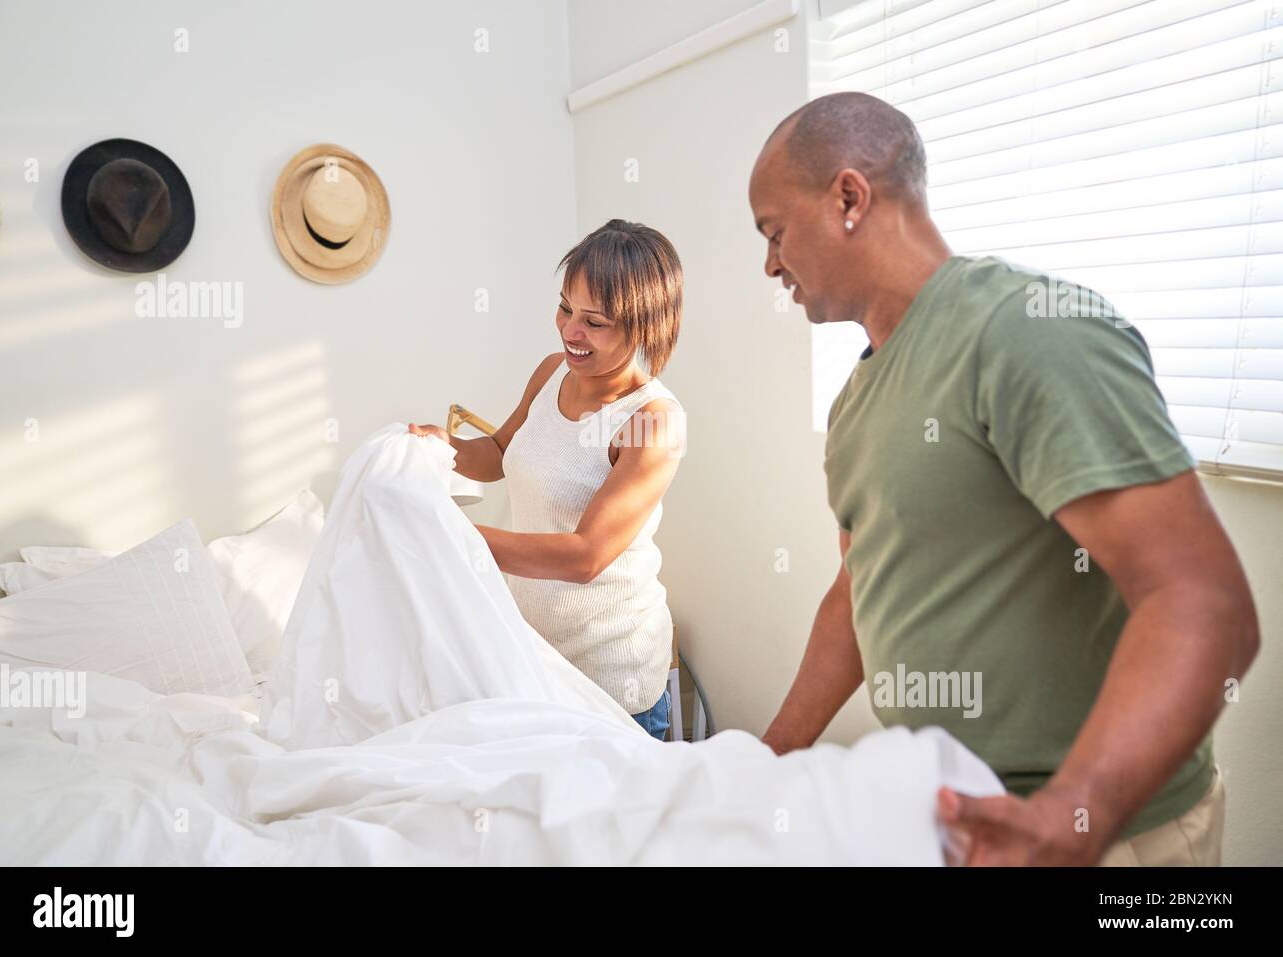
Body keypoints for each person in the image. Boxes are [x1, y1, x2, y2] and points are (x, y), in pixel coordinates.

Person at [748, 92, 1259, 865]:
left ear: (849, 197)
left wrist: (1069, 815)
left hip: (1114, 837)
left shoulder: (1025, 331)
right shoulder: (856, 402)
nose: (769, 264)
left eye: (774, 232)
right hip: (967, 823)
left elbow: (1204, 604)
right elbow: (859, 592)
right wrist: (766, 762)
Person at [410, 219, 686, 739]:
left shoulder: (653, 421)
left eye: (595, 322)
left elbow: (586, 556)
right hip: (535, 657)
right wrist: (440, 449)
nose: (569, 332)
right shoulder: (552, 372)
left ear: (644, 326)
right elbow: (497, 452)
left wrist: (450, 533)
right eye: (565, 308)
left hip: (612, 679)